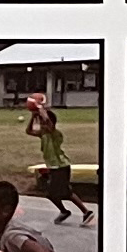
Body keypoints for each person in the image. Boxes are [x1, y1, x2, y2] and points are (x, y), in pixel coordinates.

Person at [21, 92, 89, 222]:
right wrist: (33, 116)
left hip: (61, 166)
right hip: (54, 167)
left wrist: (40, 109)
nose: (42, 125)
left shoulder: (55, 134)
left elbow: (48, 122)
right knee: (53, 194)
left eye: (43, 123)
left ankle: (86, 212)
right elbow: (28, 131)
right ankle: (66, 211)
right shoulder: (44, 134)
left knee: (64, 193)